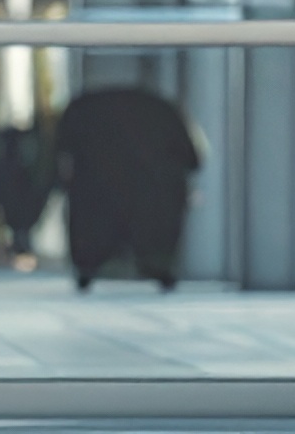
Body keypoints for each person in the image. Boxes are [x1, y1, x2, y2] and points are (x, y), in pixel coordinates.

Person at [53, 86, 201, 291]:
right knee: (157, 225)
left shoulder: (81, 110)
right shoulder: (162, 111)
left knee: (91, 227)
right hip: (153, 194)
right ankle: (160, 267)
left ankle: (87, 268)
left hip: (95, 194)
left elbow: (60, 153)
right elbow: (192, 159)